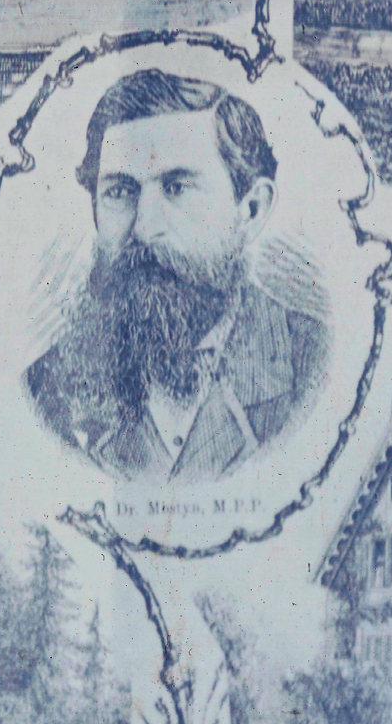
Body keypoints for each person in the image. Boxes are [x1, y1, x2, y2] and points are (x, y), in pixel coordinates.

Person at [25, 69, 329, 485]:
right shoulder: (47, 389)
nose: (146, 228)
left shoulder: (310, 366)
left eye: (176, 187)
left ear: (251, 210)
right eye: (119, 192)